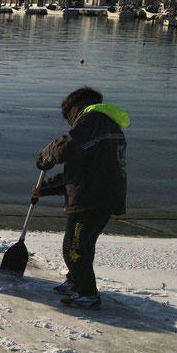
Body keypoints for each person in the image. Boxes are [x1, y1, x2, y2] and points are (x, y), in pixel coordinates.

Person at [34, 87, 128, 310]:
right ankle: (76, 281)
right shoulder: (107, 124)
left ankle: (88, 293)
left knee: (73, 248)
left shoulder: (92, 121)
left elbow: (67, 147)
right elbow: (79, 171)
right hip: (105, 195)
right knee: (84, 245)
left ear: (74, 109)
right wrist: (44, 189)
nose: (70, 125)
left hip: (90, 199)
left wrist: (46, 155)